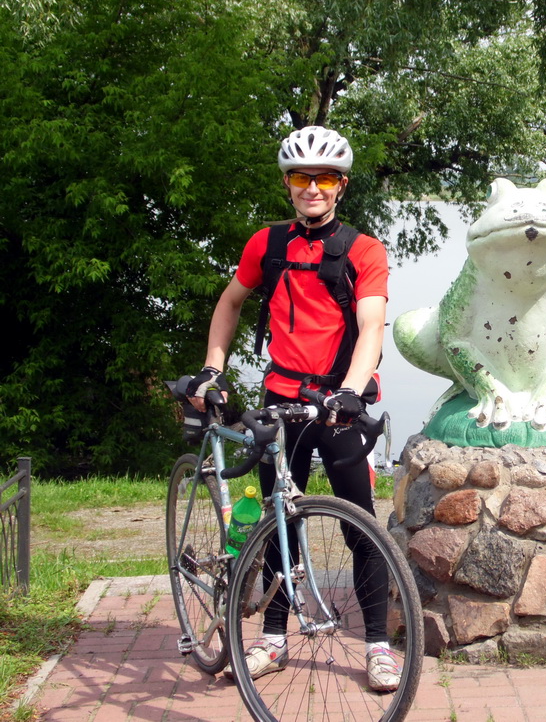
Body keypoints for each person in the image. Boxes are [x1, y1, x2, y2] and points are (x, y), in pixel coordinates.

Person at [187, 125, 399, 689]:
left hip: (338, 403)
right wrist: (213, 367)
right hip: (280, 399)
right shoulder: (267, 244)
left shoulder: (363, 250)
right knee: (272, 518)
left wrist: (350, 390)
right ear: (287, 184)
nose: (312, 188)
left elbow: (371, 325)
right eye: (301, 177)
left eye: (324, 178)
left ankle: (378, 646)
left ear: (341, 186)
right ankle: (272, 639)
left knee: (361, 527)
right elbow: (230, 303)